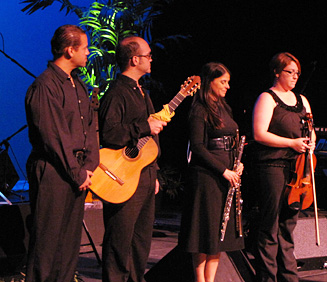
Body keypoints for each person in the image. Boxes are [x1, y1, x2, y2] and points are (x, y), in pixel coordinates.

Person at [24, 24, 99, 282]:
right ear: (70, 50)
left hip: (76, 172)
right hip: (55, 172)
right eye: (85, 47)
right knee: (47, 245)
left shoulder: (78, 86)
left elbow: (89, 128)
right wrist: (77, 173)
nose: (88, 52)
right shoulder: (45, 86)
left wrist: (89, 165)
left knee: (69, 247)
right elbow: (54, 137)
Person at [98, 36, 167, 282]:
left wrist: (154, 171)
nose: (151, 59)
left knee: (140, 241)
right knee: (120, 239)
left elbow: (150, 140)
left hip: (145, 175)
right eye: (147, 55)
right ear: (134, 59)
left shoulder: (142, 92)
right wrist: (143, 125)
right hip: (124, 177)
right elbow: (110, 134)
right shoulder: (116, 93)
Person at [251, 52, 315, 282]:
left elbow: (311, 130)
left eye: (297, 73)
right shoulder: (267, 98)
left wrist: (310, 144)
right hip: (272, 165)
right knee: (270, 223)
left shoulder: (302, 100)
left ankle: (289, 277)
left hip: (297, 168)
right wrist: (291, 143)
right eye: (290, 72)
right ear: (277, 72)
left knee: (288, 223)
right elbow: (259, 134)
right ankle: (267, 277)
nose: (295, 77)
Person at [178, 62, 244, 282]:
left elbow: (232, 140)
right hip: (207, 177)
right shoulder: (199, 109)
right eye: (223, 82)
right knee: (203, 231)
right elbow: (197, 147)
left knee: (218, 233)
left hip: (226, 174)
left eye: (228, 82)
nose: (227, 87)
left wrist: (237, 163)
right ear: (210, 82)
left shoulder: (224, 106)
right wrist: (223, 170)